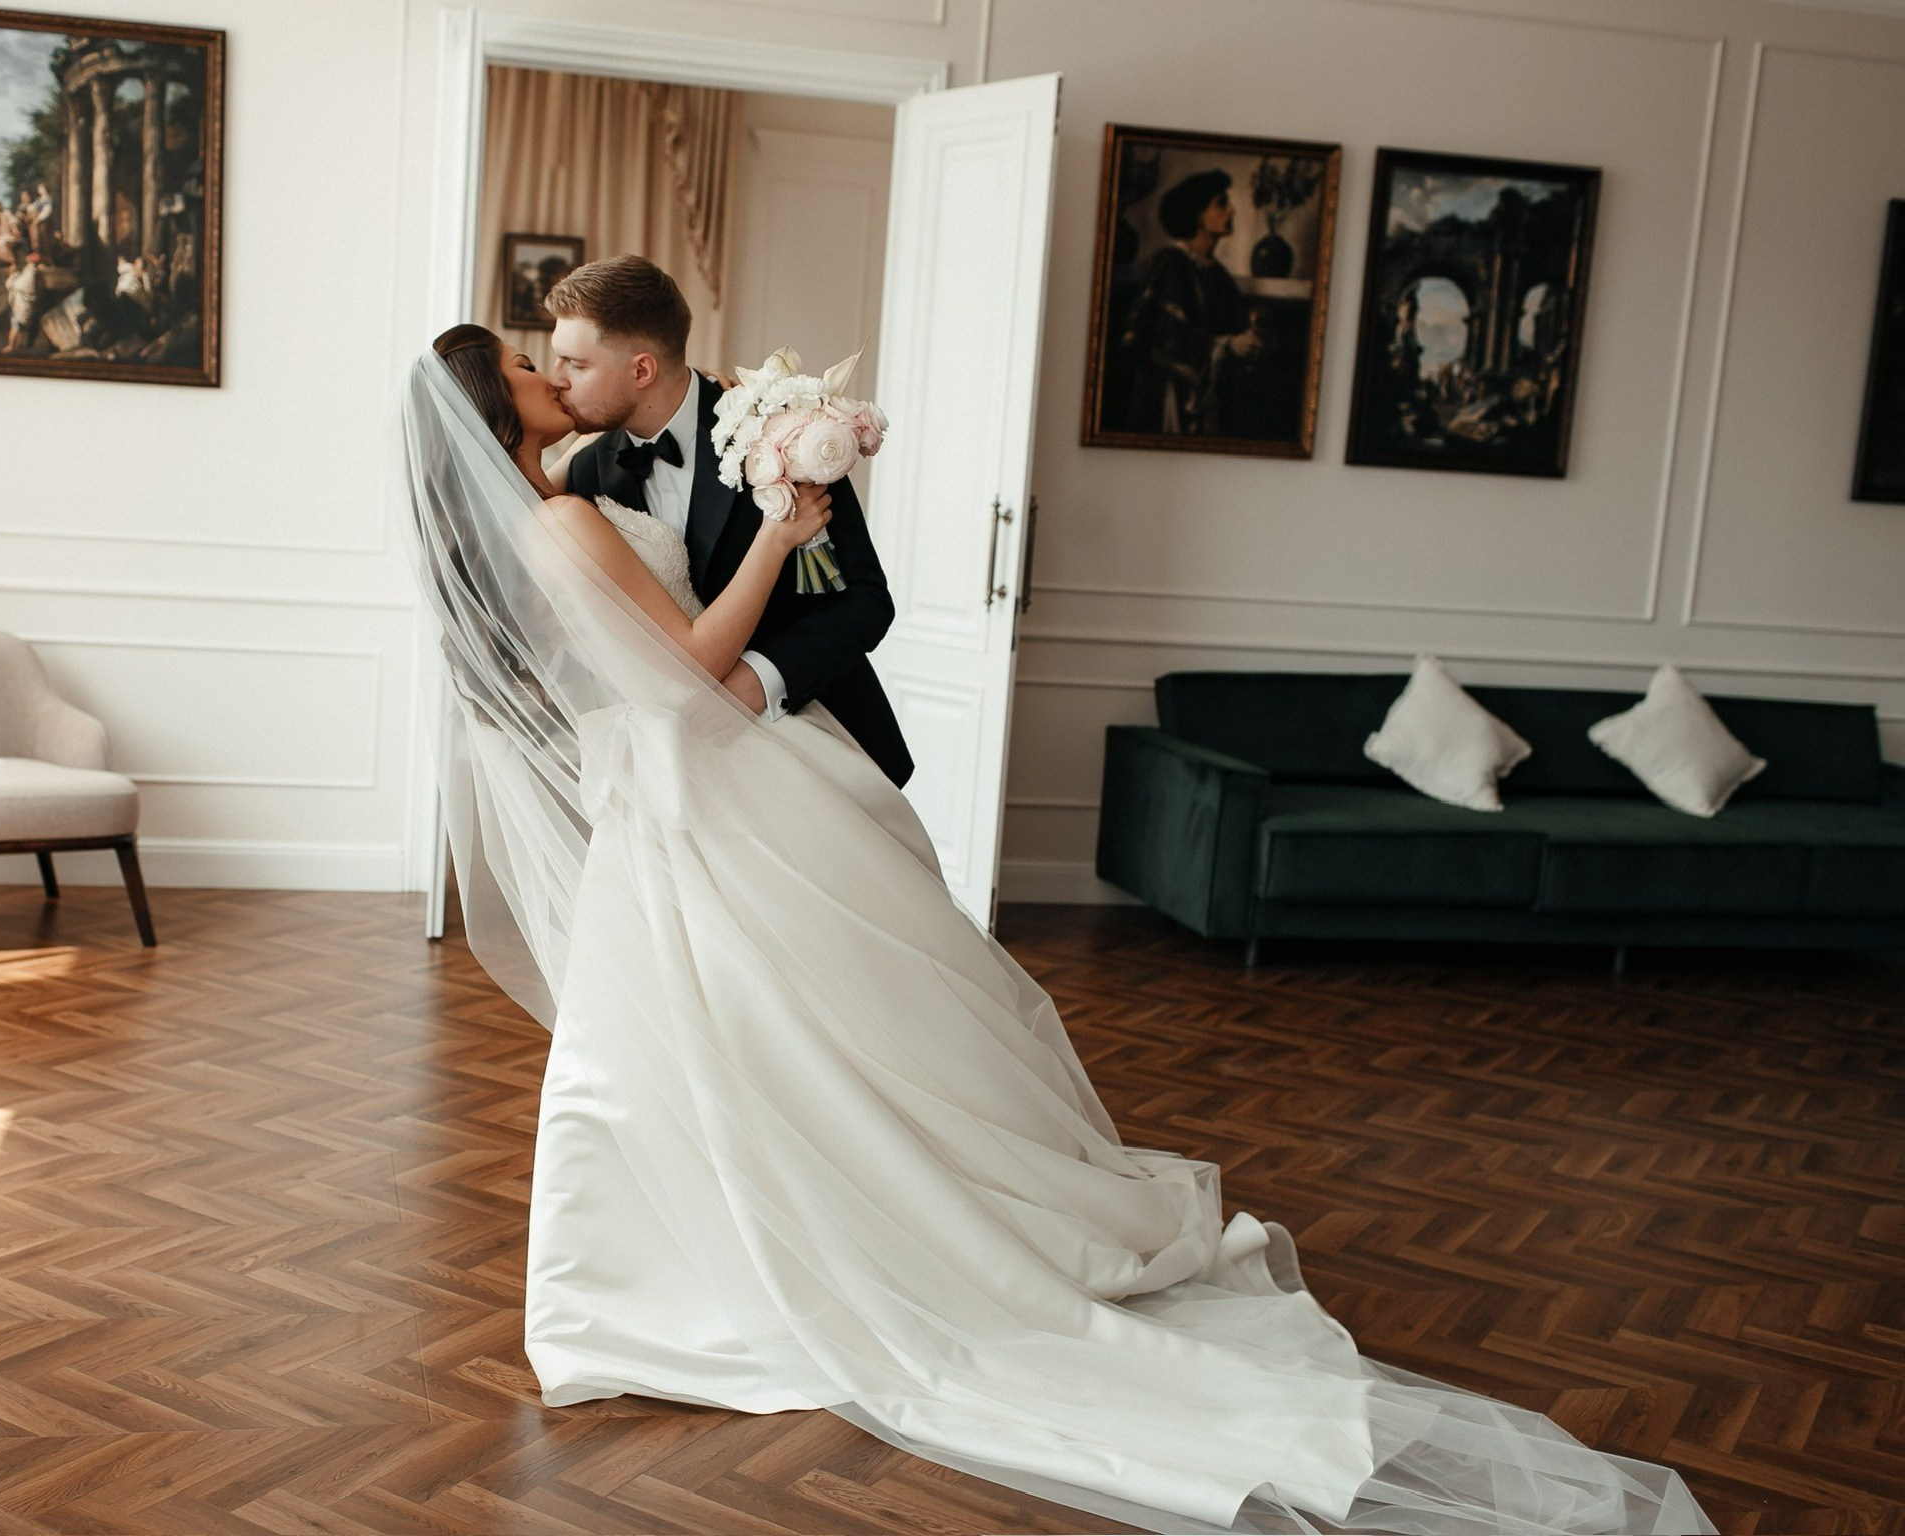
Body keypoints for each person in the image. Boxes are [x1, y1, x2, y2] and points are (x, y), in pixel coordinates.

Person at [399, 322, 1714, 1535]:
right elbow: (686, 671)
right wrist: (768, 536)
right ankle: (772, 1253)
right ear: (494, 402)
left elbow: (749, 636)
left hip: (683, 790)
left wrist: (800, 511)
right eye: (523, 359)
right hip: (708, 775)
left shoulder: (561, 506)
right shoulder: (565, 517)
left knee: (725, 1036)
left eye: (554, 348)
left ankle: (652, 1284)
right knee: (763, 1023)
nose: (544, 366)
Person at [548, 256, 911, 788]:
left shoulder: (787, 432)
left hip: (822, 748)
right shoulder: (587, 469)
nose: (555, 380)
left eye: (574, 364)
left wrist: (754, 684)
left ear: (642, 370)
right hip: (685, 768)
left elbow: (865, 600)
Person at [1112, 168, 1257, 435]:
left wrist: (1249, 341)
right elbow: (1165, 335)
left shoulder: (1218, 275)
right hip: (1170, 398)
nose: (1231, 211)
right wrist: (1226, 346)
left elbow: (1233, 326)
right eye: (1221, 204)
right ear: (1198, 214)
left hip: (1209, 398)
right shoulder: (1171, 264)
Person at [2, 250, 44, 354]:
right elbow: (21, 285)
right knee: (17, 325)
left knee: (19, 326)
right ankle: (11, 345)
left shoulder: (30, 271)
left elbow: (26, 287)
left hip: (23, 303)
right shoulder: (25, 272)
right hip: (19, 303)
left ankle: (16, 345)